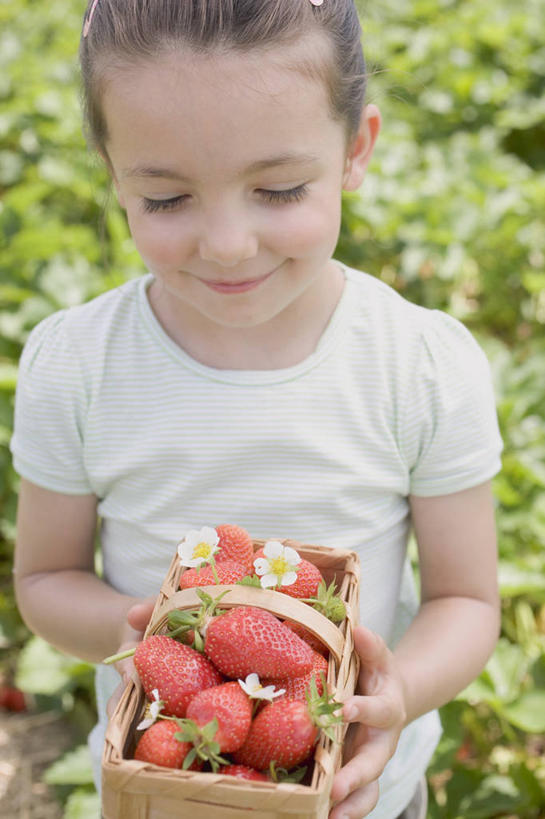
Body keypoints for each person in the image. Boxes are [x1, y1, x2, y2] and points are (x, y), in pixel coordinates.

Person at [10, 1, 503, 817]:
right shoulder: (77, 364)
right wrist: (147, 641)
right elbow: (44, 577)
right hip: (169, 783)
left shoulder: (418, 363)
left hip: (356, 787)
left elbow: (467, 600)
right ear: (111, 170)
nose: (229, 242)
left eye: (277, 189)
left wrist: (394, 691)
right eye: (166, 199)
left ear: (355, 150)